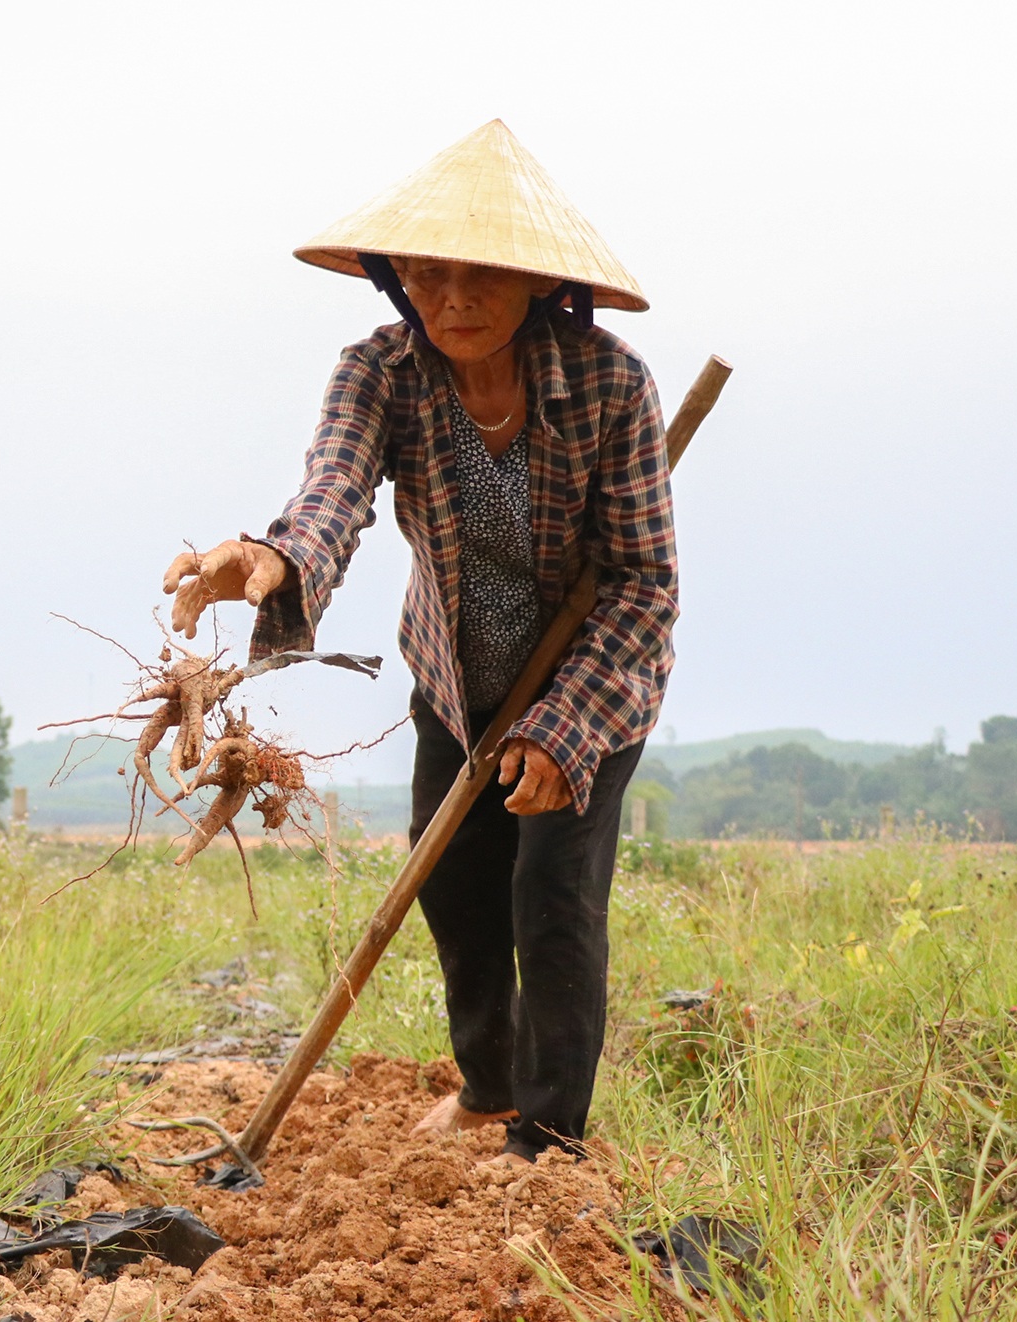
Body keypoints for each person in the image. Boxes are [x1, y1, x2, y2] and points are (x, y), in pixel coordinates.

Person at [162, 121, 675, 1168]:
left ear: (536, 282)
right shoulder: (382, 373)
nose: (449, 300)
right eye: (426, 276)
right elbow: (332, 489)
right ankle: (488, 1087)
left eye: (477, 276)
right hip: (454, 680)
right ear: (397, 282)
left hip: (588, 684)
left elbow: (639, 584)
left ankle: (547, 1139)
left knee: (552, 894)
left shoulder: (610, 386)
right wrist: (274, 556)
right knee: (452, 883)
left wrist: (563, 728)